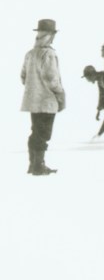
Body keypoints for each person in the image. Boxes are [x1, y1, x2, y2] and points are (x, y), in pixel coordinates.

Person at [21, 18, 64, 175]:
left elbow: (23, 77)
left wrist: (34, 87)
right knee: (44, 133)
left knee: (35, 131)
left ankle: (33, 165)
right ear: (51, 35)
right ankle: (39, 166)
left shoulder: (30, 54)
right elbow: (53, 79)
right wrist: (60, 94)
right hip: (47, 101)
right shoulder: (49, 54)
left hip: (32, 101)